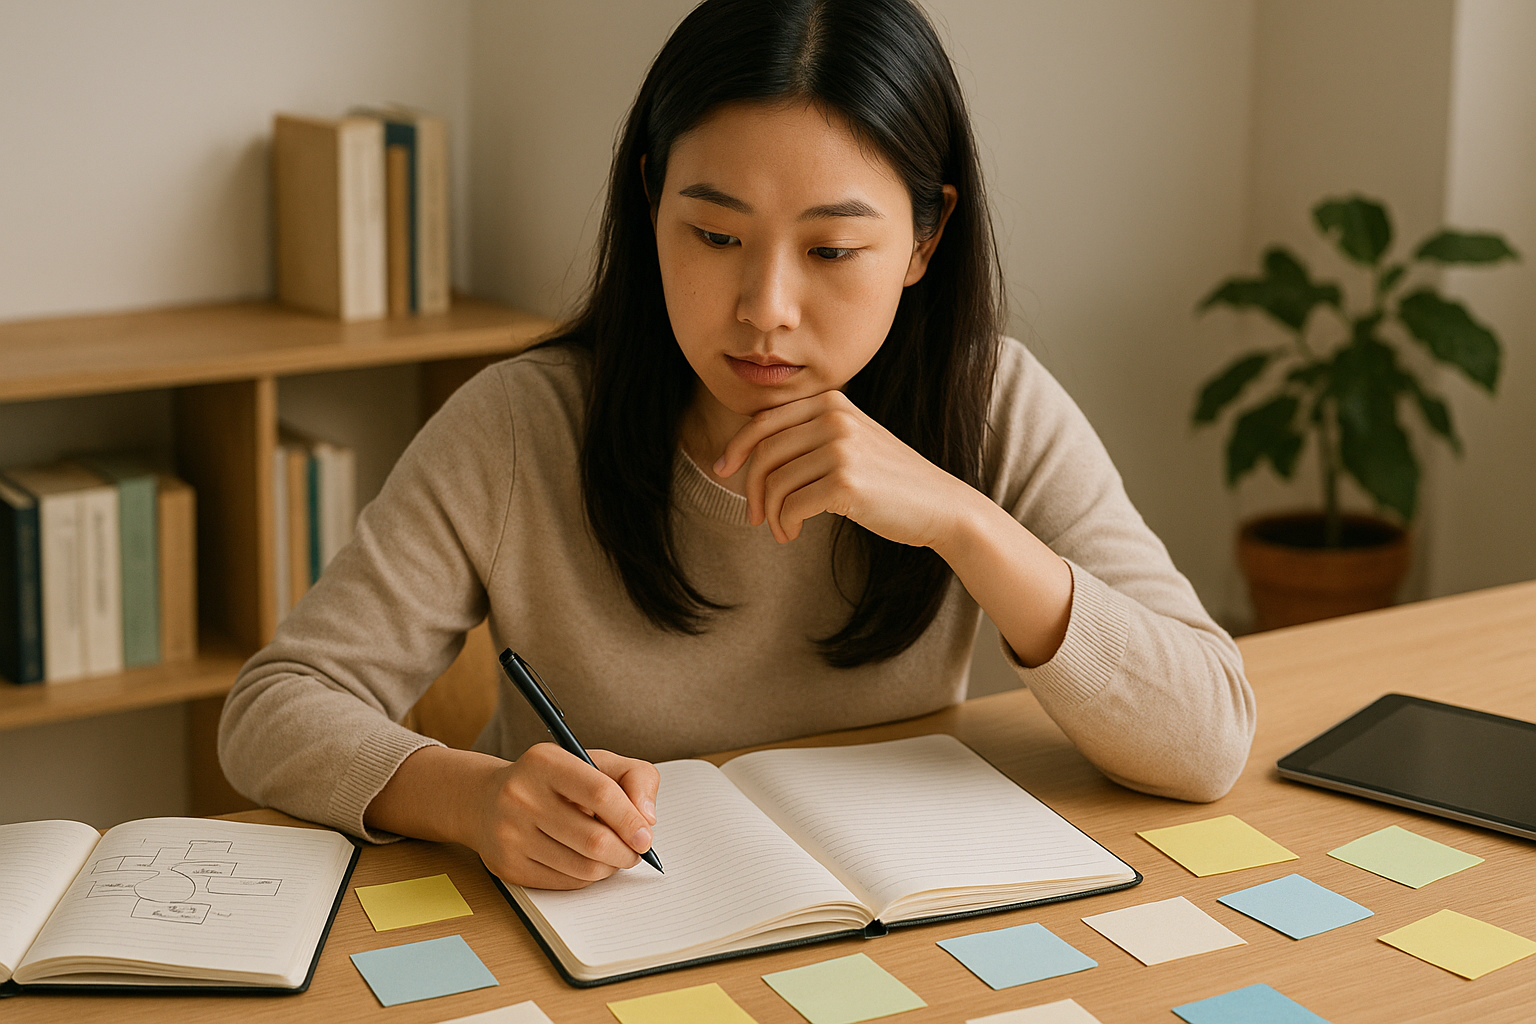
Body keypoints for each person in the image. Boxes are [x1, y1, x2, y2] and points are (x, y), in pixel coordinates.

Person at [220, 0, 1254, 891]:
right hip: (615, 936)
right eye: (715, 236)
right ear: (650, 200)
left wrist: (964, 521)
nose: (766, 308)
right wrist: (473, 798)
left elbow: (1208, 737)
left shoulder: (992, 406)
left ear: (925, 239)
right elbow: (274, 708)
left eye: (832, 250)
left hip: (887, 936)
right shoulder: (518, 427)